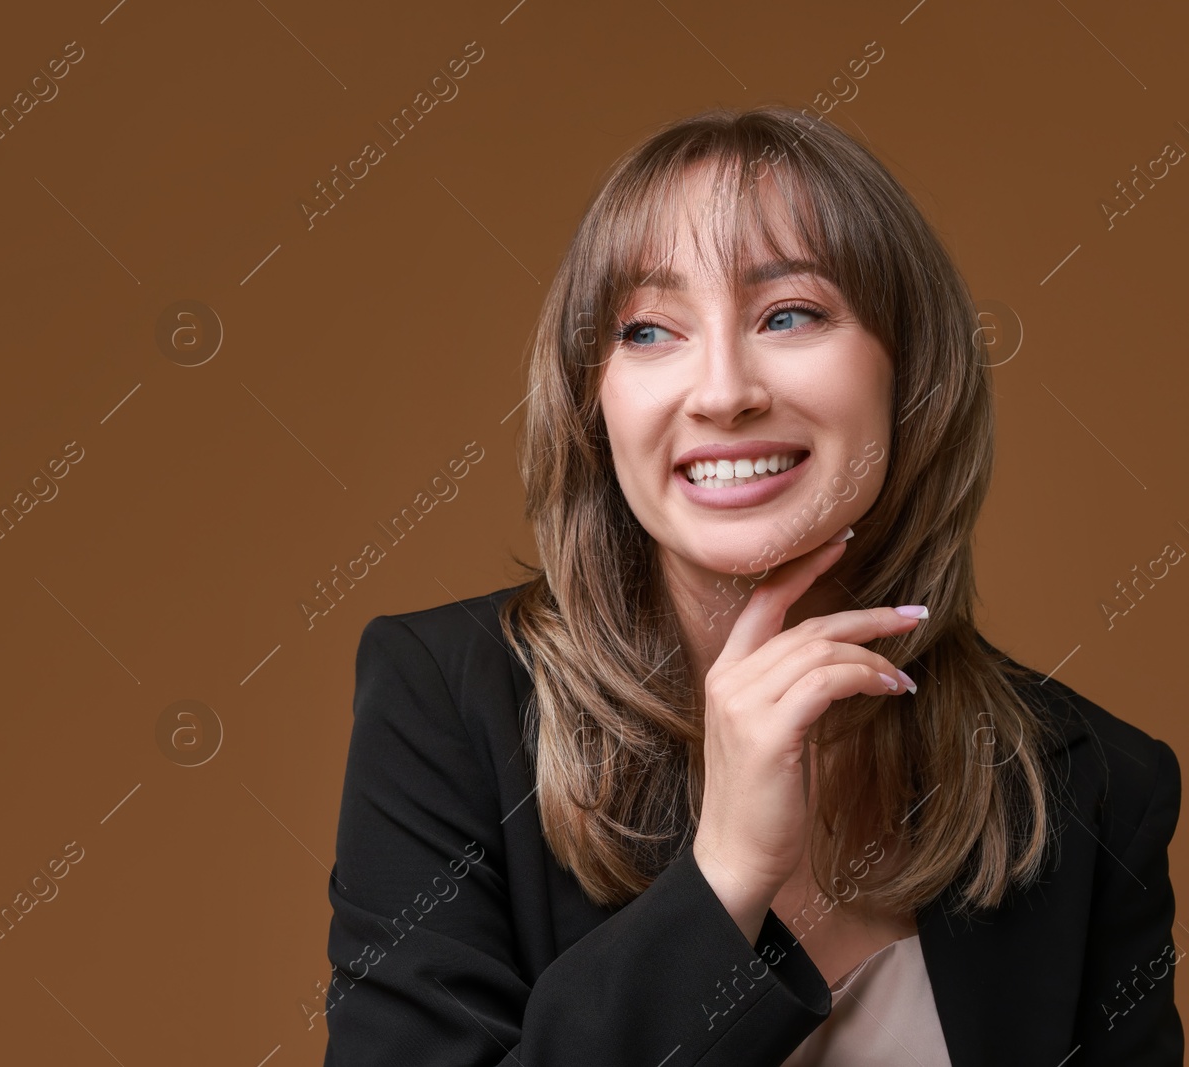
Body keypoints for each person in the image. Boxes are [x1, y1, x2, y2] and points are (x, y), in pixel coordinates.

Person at [318, 105, 1184, 1065]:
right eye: (649, 331)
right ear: (593, 400)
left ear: (911, 372)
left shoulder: (1095, 786)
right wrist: (724, 872)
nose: (723, 390)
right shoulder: (446, 701)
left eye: (790, 314)